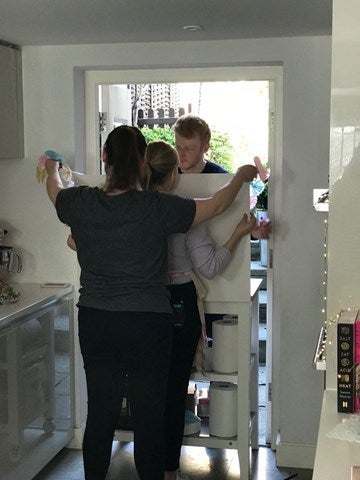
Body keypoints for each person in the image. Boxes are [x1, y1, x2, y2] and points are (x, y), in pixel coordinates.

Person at [44, 125, 258, 480]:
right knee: (149, 418)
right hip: (147, 323)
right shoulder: (157, 207)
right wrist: (238, 178)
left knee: (100, 414)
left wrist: (51, 165)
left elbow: (54, 190)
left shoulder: (80, 201)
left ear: (105, 157)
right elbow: (217, 205)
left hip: (97, 320)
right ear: (143, 161)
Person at [141, 140, 256, 480]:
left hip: (141, 306)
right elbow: (208, 266)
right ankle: (169, 472)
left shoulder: (130, 207)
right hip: (179, 303)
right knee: (175, 391)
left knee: (147, 391)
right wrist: (238, 233)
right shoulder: (182, 210)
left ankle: (147, 468)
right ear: (174, 174)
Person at [173, 113, 271, 240]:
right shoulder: (167, 177)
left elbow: (235, 217)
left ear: (205, 147)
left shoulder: (224, 179)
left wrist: (253, 234)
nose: (181, 154)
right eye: (178, 147)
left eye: (188, 149)